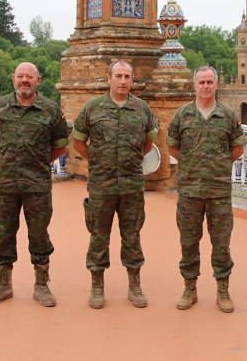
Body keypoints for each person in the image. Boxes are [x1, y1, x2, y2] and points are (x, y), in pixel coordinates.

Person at [0, 62, 69, 307]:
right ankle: (3, 284)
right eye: (20, 76)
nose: (24, 81)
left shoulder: (50, 110)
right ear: (13, 79)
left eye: (29, 77)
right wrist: (7, 160)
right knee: (3, 234)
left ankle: (41, 285)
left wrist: (37, 162)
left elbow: (60, 145)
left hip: (37, 186)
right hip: (4, 185)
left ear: (38, 80)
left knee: (39, 235)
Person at [72, 60, 158, 309]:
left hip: (132, 185)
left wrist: (131, 160)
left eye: (127, 76)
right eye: (118, 76)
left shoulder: (142, 109)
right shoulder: (93, 108)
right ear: (108, 79)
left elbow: (148, 143)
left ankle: (134, 286)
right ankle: (97, 286)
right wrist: (97, 160)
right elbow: (78, 142)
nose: (123, 81)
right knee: (98, 236)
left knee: (132, 235)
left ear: (132, 80)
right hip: (102, 185)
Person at [167, 66, 246, 313]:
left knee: (221, 243)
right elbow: (173, 148)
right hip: (189, 192)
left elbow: (237, 149)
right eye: (201, 82)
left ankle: (223, 290)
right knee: (189, 242)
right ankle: (190, 289)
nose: (205, 86)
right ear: (194, 85)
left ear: (216, 84)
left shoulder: (229, 115)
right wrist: (193, 166)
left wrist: (217, 166)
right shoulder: (182, 115)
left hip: (219, 192)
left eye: (210, 82)